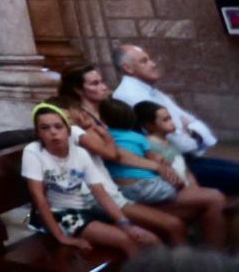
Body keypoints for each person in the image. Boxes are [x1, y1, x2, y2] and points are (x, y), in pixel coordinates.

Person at [53, 63, 186, 242]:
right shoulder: (79, 118)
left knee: (182, 216)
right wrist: (156, 166)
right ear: (78, 90)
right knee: (172, 224)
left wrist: (157, 162)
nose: (104, 87)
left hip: (114, 184)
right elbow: (113, 153)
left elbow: (127, 145)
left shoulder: (105, 110)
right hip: (98, 192)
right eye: (95, 83)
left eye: (102, 81)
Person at [23, 103, 159, 257]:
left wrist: (125, 224)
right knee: (127, 241)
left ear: (68, 129)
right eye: (45, 128)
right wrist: (61, 237)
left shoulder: (80, 153)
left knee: (150, 239)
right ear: (38, 133)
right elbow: (38, 197)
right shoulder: (33, 152)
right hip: (60, 214)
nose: (53, 132)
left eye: (58, 126)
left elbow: (100, 193)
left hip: (88, 208)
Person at [113, 44, 238, 195]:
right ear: (128, 68)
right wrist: (190, 136)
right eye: (144, 61)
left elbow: (186, 118)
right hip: (171, 164)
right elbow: (171, 135)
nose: (153, 64)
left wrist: (191, 131)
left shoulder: (148, 89)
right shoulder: (130, 94)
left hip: (185, 156)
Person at [100, 98, 225, 246]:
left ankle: (208, 254)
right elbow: (124, 157)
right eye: (165, 119)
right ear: (148, 125)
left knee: (210, 200)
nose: (172, 122)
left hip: (145, 187)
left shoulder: (110, 135)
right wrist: (166, 172)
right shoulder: (142, 140)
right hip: (139, 192)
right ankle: (212, 257)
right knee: (214, 197)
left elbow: (178, 167)